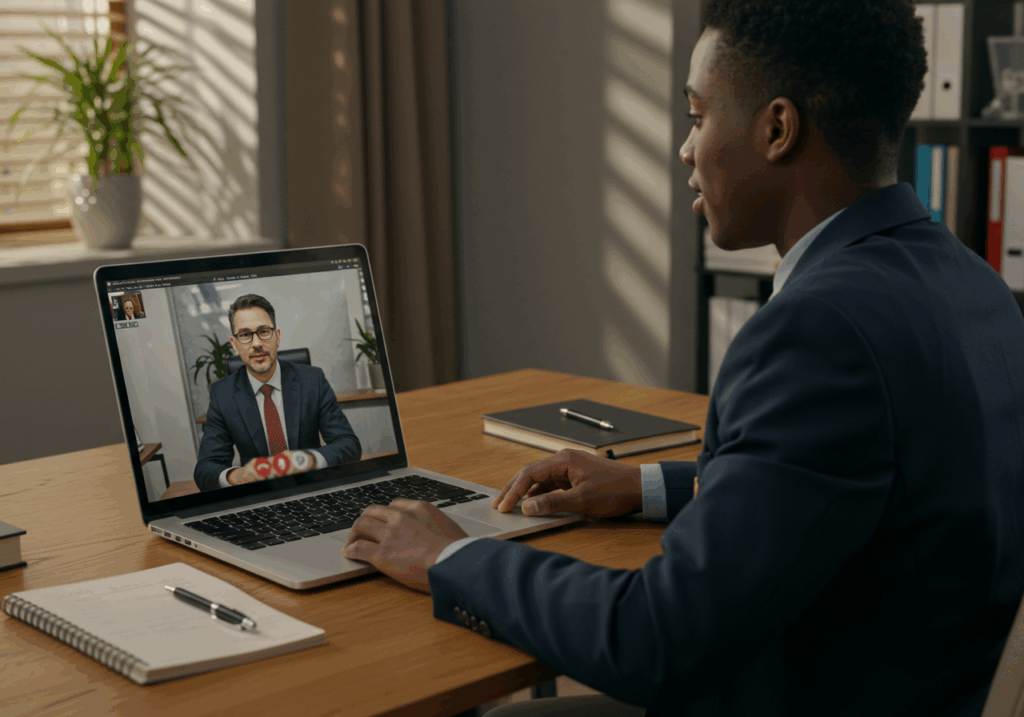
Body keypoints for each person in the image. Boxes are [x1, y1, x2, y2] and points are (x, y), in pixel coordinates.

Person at [340, 1, 1024, 715]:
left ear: (778, 129)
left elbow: (657, 637)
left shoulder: (820, 331)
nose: (684, 149)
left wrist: (449, 557)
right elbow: (846, 480)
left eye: (697, 115)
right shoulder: (971, 282)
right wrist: (645, 486)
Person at [194, 293, 361, 491]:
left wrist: (308, 459)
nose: (256, 344)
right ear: (235, 345)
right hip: (260, 496)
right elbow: (205, 468)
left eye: (264, 331)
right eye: (245, 335)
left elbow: (349, 445)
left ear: (277, 336)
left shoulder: (312, 380)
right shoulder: (223, 395)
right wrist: (236, 475)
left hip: (311, 489)